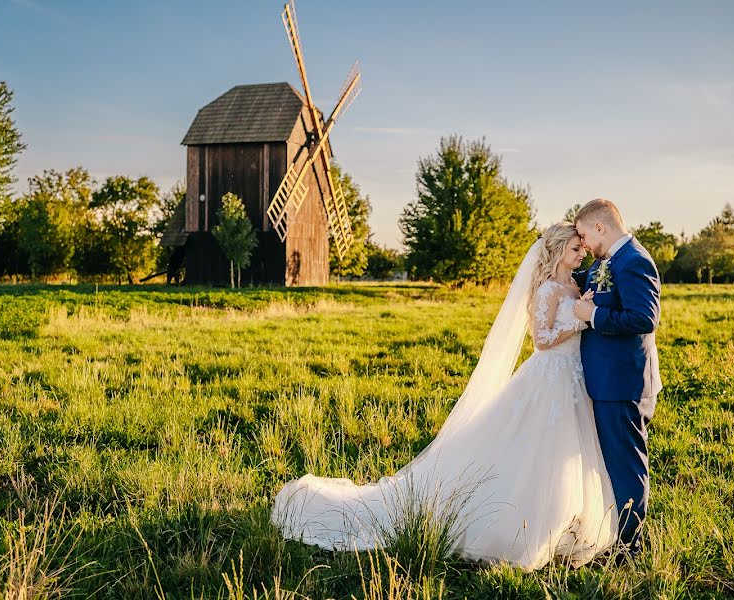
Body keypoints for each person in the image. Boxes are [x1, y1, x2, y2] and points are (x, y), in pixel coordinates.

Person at [271, 222, 618, 569]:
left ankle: (566, 524)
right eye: (575, 249)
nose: (582, 253)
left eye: (582, 249)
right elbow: (541, 340)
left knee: (564, 452)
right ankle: (523, 527)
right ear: (557, 251)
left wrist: (584, 310)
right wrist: (578, 319)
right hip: (549, 379)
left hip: (571, 380)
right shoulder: (548, 290)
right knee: (536, 450)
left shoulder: (575, 283)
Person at [572, 198, 661, 557]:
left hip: (622, 382)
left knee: (626, 463)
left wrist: (593, 316)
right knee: (612, 460)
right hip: (605, 380)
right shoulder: (607, 261)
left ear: (600, 228)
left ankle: (629, 546)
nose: (584, 244)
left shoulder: (635, 261)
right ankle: (615, 532)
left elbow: (643, 318)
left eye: (583, 235)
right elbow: (589, 282)